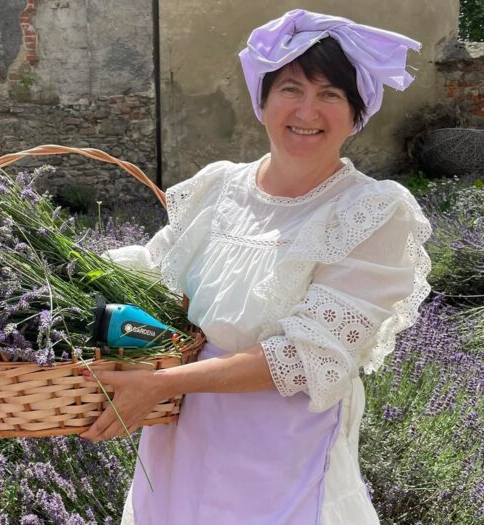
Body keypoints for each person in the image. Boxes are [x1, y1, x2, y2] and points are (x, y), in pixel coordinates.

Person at [78, 9, 432, 525]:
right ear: (261, 101)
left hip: (281, 452)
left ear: (357, 114)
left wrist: (161, 385)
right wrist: (60, 271)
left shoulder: (370, 212)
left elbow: (306, 354)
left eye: (331, 94)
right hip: (180, 438)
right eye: (291, 88)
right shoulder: (219, 187)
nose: (307, 110)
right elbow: (152, 275)